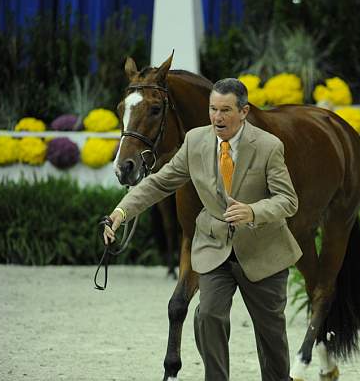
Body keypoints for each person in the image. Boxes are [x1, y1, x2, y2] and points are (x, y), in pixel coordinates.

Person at [103, 78, 302, 381]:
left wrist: (253, 211)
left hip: (263, 252)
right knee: (207, 315)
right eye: (213, 109)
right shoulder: (195, 141)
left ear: (244, 112)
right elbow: (161, 180)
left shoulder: (268, 146)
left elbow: (288, 200)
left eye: (225, 110)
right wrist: (122, 211)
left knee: (271, 334)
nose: (217, 117)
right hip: (214, 250)